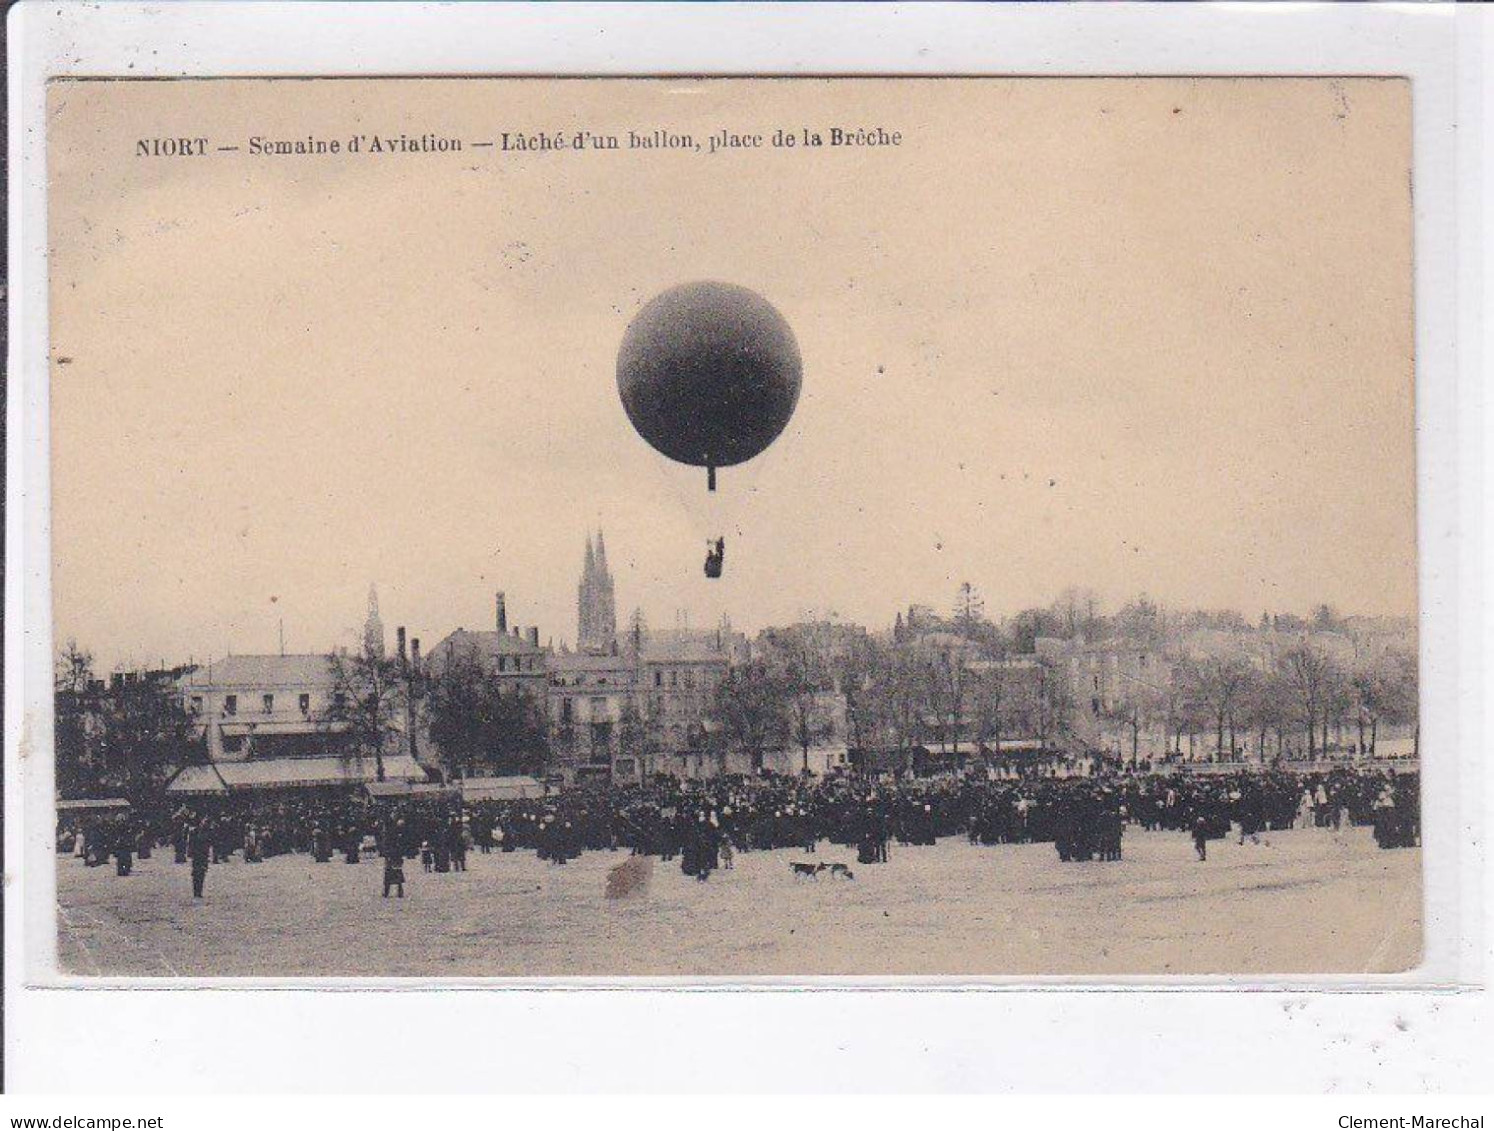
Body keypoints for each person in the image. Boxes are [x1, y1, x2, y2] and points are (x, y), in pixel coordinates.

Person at [188, 820, 212, 899]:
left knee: (201, 873)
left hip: (203, 856)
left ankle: (199, 892)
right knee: (196, 874)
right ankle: (196, 892)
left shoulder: (208, 832)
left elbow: (209, 844)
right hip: (197, 855)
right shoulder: (194, 832)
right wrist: (190, 853)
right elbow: (191, 844)